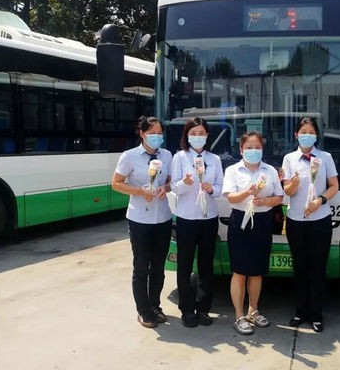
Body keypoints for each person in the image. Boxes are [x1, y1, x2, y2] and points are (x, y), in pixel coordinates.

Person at [111, 116, 173, 329]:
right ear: (142, 133)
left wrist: (166, 188)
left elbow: (170, 181)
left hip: (163, 217)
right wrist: (139, 191)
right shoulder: (129, 156)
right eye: (152, 133)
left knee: (158, 266)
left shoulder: (167, 155)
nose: (156, 136)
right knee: (141, 266)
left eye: (159, 133)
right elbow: (116, 183)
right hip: (139, 219)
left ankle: (155, 305)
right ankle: (143, 310)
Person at [222, 131, 283, 335]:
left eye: (257, 147)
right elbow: (230, 197)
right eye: (249, 147)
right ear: (241, 150)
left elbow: (279, 197)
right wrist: (248, 192)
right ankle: (239, 315)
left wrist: (265, 201)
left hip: (263, 221)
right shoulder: (233, 170)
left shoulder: (270, 171)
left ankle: (253, 310)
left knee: (257, 272)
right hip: (240, 221)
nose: (253, 151)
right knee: (239, 272)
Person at [281, 117, 338, 333]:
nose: (307, 135)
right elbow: (287, 190)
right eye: (303, 131)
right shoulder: (289, 159)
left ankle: (316, 314)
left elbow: (334, 186)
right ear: (296, 135)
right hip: (296, 220)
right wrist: (293, 185)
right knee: (300, 267)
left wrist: (320, 200)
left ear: (316, 135)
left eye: (311, 132)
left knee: (318, 268)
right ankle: (300, 312)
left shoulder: (325, 157)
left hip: (320, 220)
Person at [170, 117, 223, 328]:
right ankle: (187, 309)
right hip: (187, 218)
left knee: (206, 265)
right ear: (187, 136)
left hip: (209, 217)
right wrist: (185, 183)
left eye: (201, 133)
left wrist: (211, 189)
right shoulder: (180, 157)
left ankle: (203, 308)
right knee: (184, 264)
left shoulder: (215, 159)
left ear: (207, 135)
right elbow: (174, 187)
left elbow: (220, 187)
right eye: (193, 133)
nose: (198, 137)